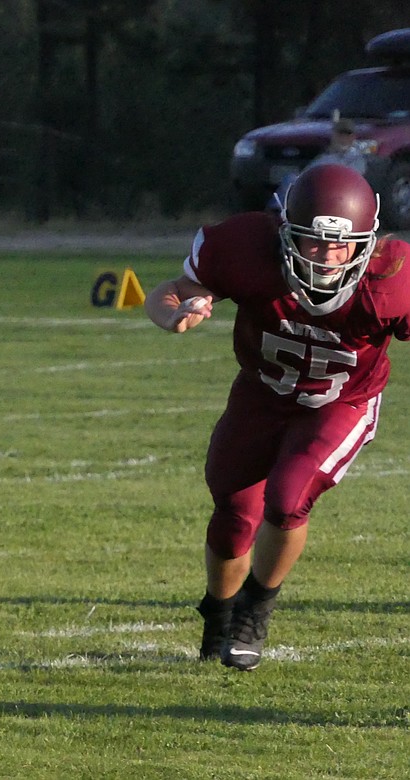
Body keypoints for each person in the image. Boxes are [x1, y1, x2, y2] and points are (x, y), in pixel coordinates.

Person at [145, 163, 410, 672]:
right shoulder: (244, 248)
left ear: (367, 241)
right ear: (287, 230)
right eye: (313, 241)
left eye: (343, 245)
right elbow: (170, 291)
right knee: (232, 511)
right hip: (261, 395)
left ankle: (255, 609)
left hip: (340, 403)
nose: (328, 257)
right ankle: (218, 617)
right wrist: (175, 314)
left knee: (288, 499)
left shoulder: (392, 277)